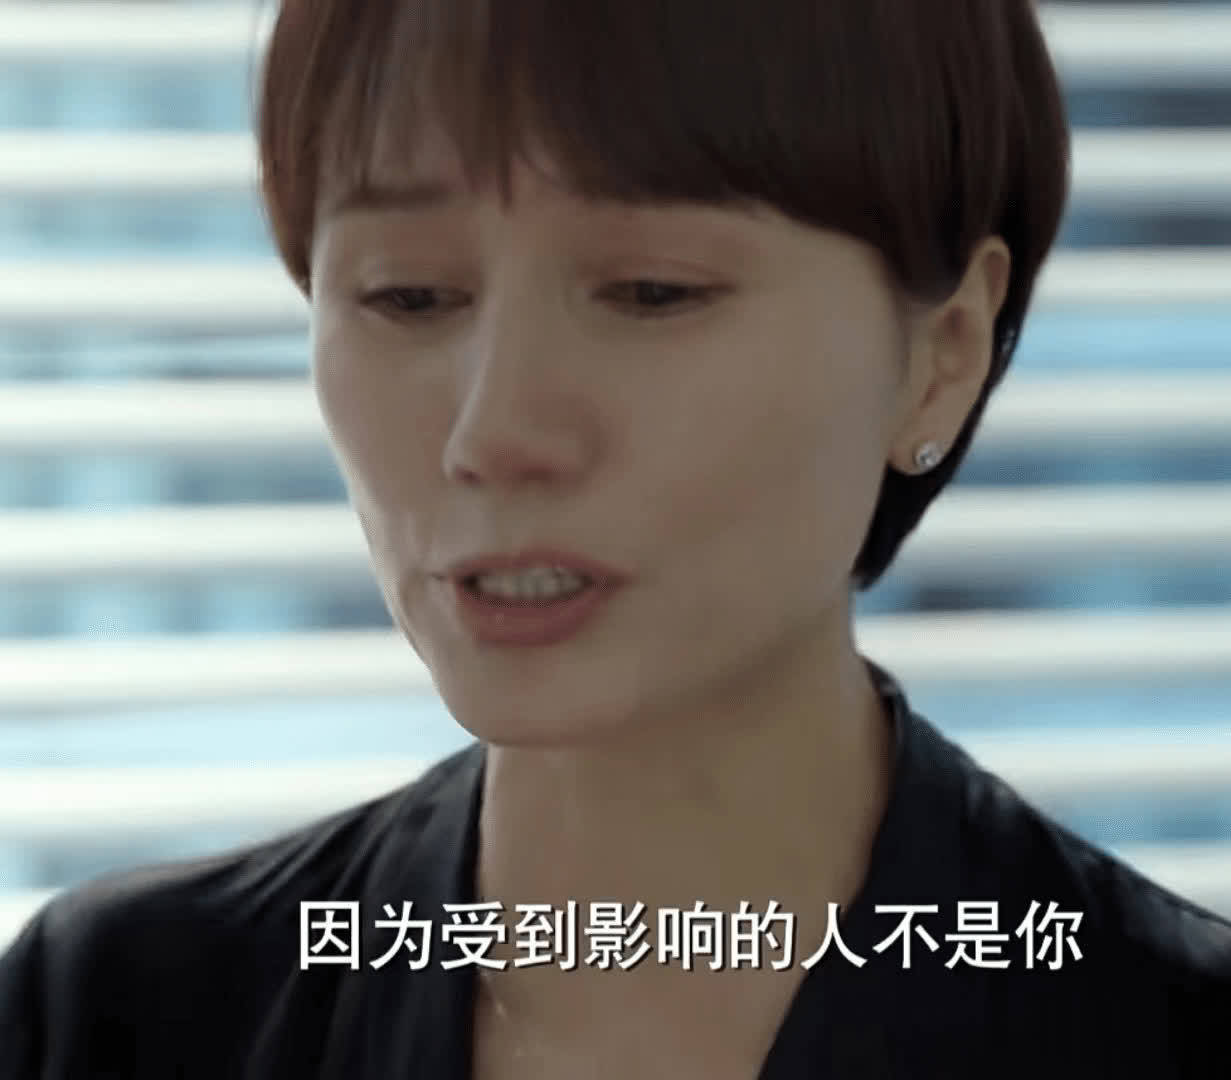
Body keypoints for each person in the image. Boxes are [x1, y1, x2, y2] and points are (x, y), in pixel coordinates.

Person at [3, 0, 1230, 1076]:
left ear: (940, 357)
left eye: (652, 292)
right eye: (407, 296)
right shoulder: (116, 1018)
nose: (493, 431)